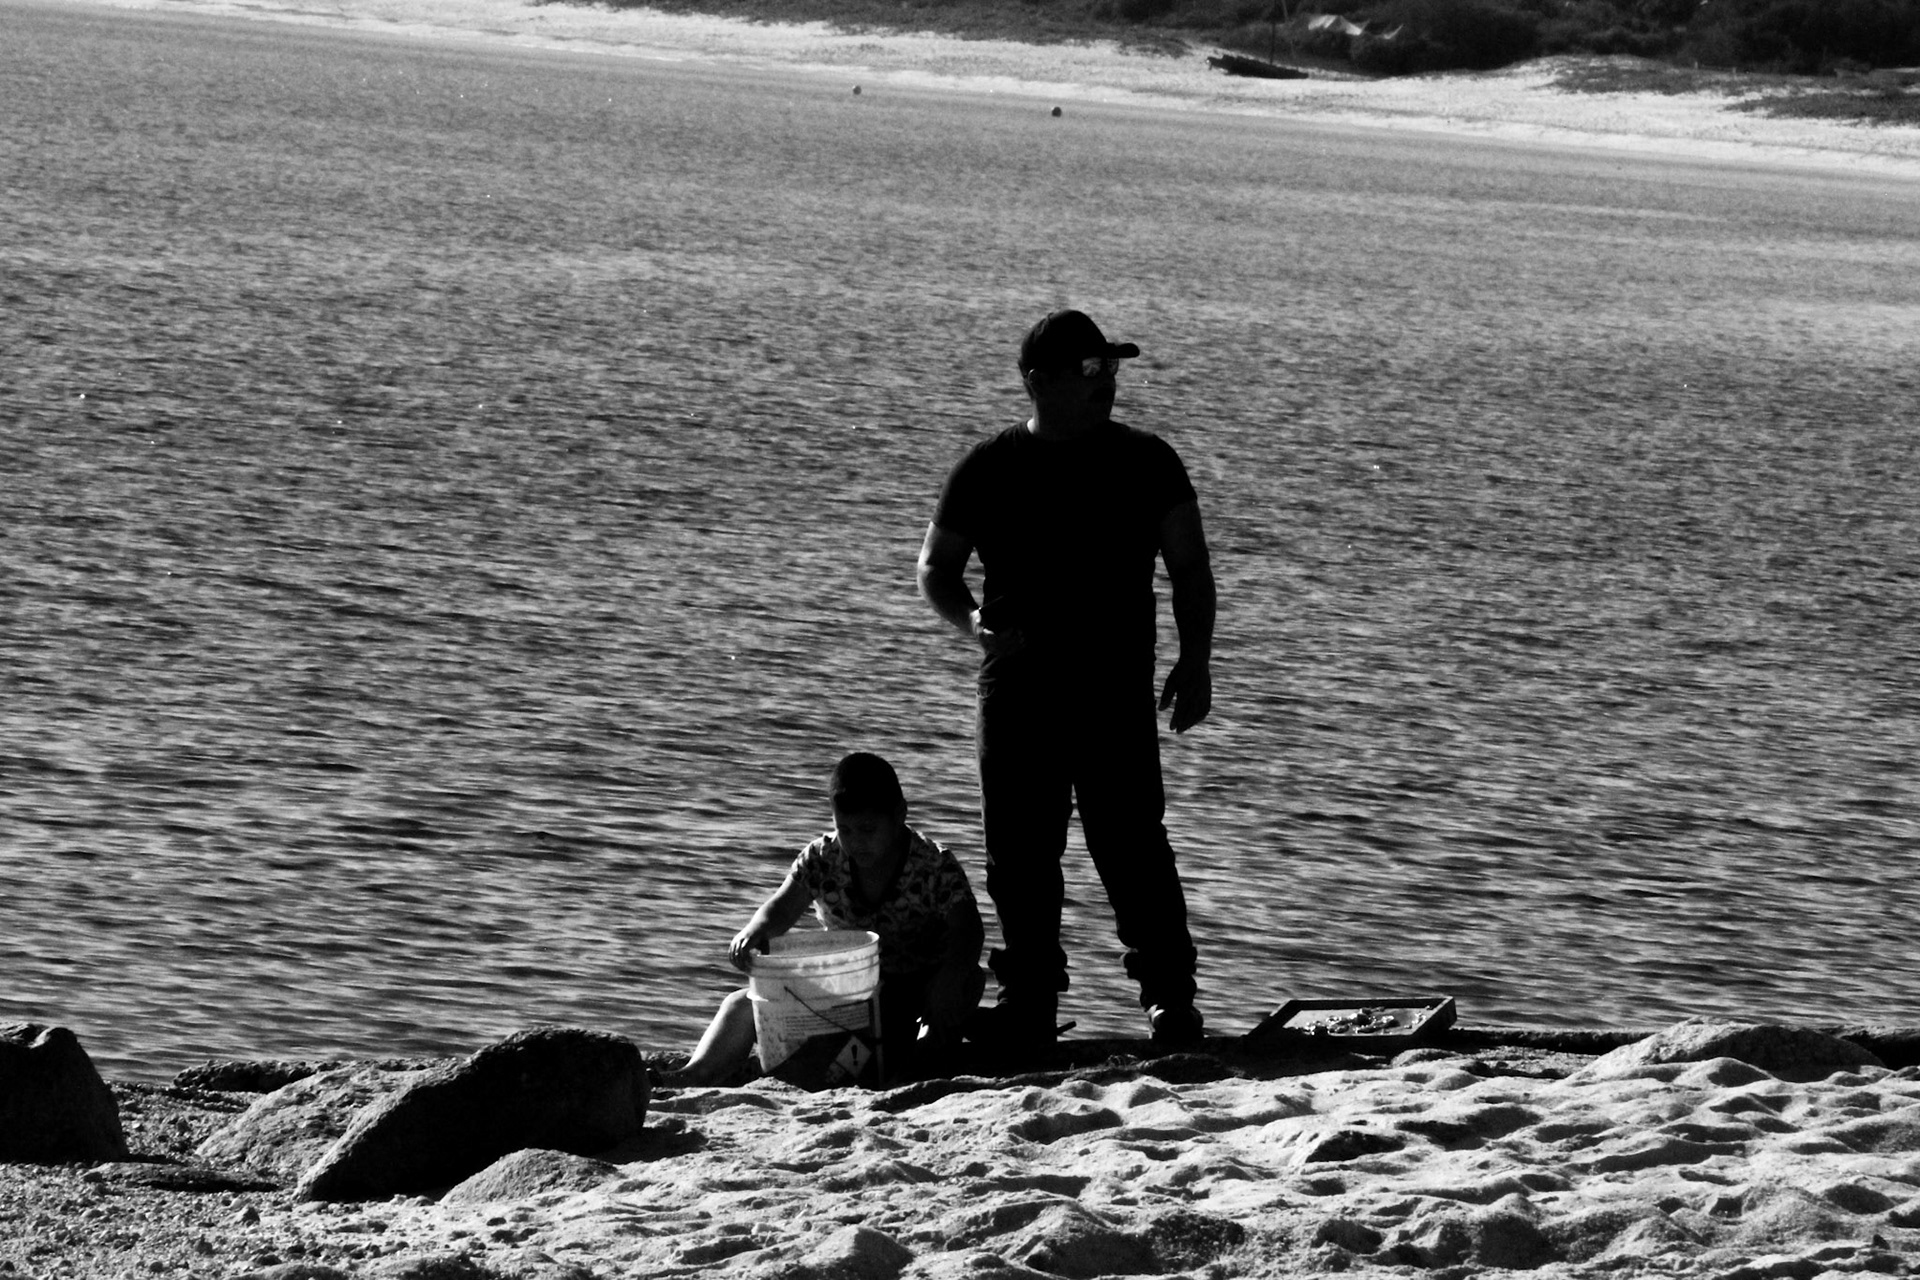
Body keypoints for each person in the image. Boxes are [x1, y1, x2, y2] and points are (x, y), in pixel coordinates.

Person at [916, 308, 1216, 1052]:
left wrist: (1197, 659)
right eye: (1089, 370)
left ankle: (1170, 1002)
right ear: (1037, 379)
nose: (1106, 382)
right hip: (1017, 689)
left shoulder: (1148, 460)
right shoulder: (989, 466)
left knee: (1132, 847)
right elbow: (935, 570)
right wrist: (975, 622)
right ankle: (1029, 1004)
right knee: (1020, 855)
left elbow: (1190, 568)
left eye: (1110, 368)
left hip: (1113, 690)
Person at [668, 752, 986, 1085]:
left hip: (917, 986)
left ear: (899, 815)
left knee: (966, 982)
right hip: (845, 984)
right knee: (742, 1003)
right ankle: (694, 1074)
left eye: (867, 829)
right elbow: (782, 908)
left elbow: (968, 929)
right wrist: (755, 931)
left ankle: (916, 1065)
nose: (855, 841)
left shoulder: (934, 865)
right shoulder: (823, 858)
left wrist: (950, 975)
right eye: (845, 829)